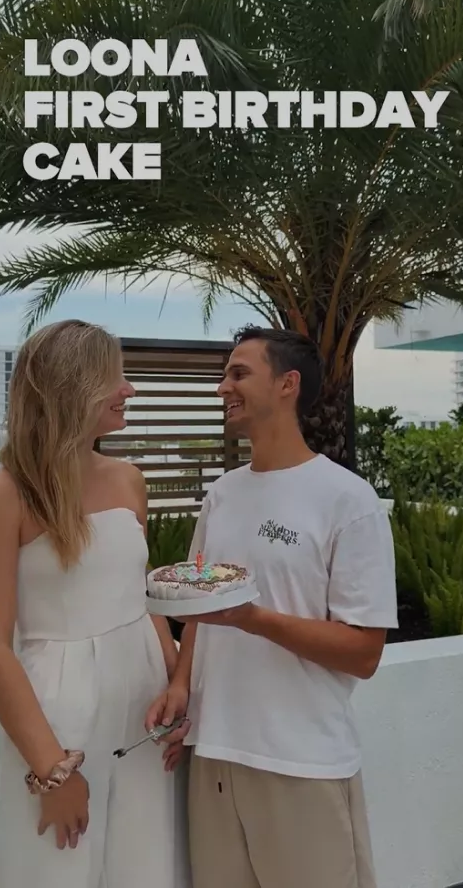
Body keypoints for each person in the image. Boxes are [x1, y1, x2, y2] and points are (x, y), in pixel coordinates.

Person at [146, 325, 399, 888]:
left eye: (239, 374)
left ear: (288, 384)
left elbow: (363, 652)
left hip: (301, 762)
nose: (223, 387)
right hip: (214, 755)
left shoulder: (348, 500)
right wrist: (182, 685)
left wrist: (253, 619)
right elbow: (200, 604)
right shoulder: (223, 494)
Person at [0, 320, 191, 888]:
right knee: (56, 870)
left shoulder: (129, 479)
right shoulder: (2, 495)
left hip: (143, 713)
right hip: (57, 721)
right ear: (72, 387)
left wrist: (176, 688)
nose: (128, 389)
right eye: (114, 378)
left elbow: (140, 598)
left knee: (145, 867)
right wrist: (53, 770)